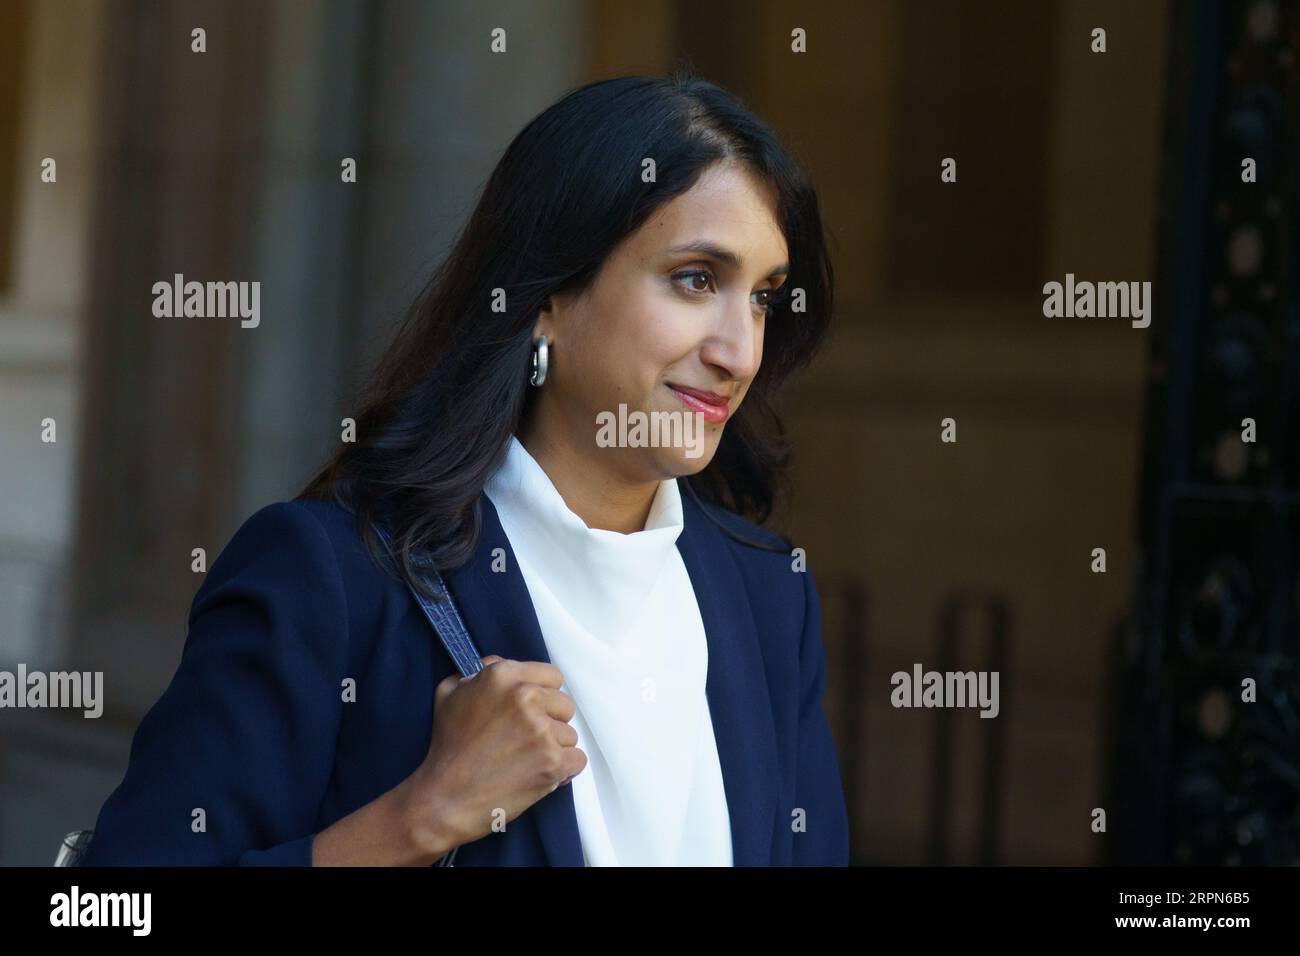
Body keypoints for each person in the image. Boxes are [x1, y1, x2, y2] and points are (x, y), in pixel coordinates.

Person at [80, 71, 848, 866]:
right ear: (547, 295)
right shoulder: (331, 580)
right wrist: (421, 817)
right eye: (696, 280)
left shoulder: (766, 595)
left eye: (762, 297)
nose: (739, 350)